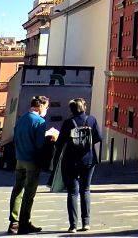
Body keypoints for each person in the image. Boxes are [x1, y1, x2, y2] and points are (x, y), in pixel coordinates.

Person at [8, 95, 57, 235]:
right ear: (40, 106)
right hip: (32, 160)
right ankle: (24, 222)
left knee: (17, 190)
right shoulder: (39, 121)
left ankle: (14, 222)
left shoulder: (22, 119)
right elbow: (39, 144)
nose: (46, 110)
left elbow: (16, 138)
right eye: (46, 107)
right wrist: (49, 136)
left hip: (20, 158)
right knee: (29, 193)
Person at [55, 98, 103, 232]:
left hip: (70, 161)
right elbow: (99, 137)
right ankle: (86, 223)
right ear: (84, 107)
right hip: (88, 159)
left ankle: (73, 225)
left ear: (71, 109)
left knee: (72, 192)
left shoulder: (68, 123)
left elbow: (59, 144)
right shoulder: (92, 120)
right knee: (86, 190)